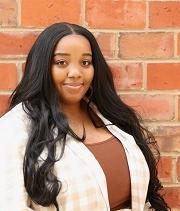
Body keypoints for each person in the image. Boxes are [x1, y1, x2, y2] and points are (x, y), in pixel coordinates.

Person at [0, 22, 170, 211]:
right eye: (61, 63)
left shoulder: (110, 116)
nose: (75, 73)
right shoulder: (13, 129)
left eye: (85, 63)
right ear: (42, 67)